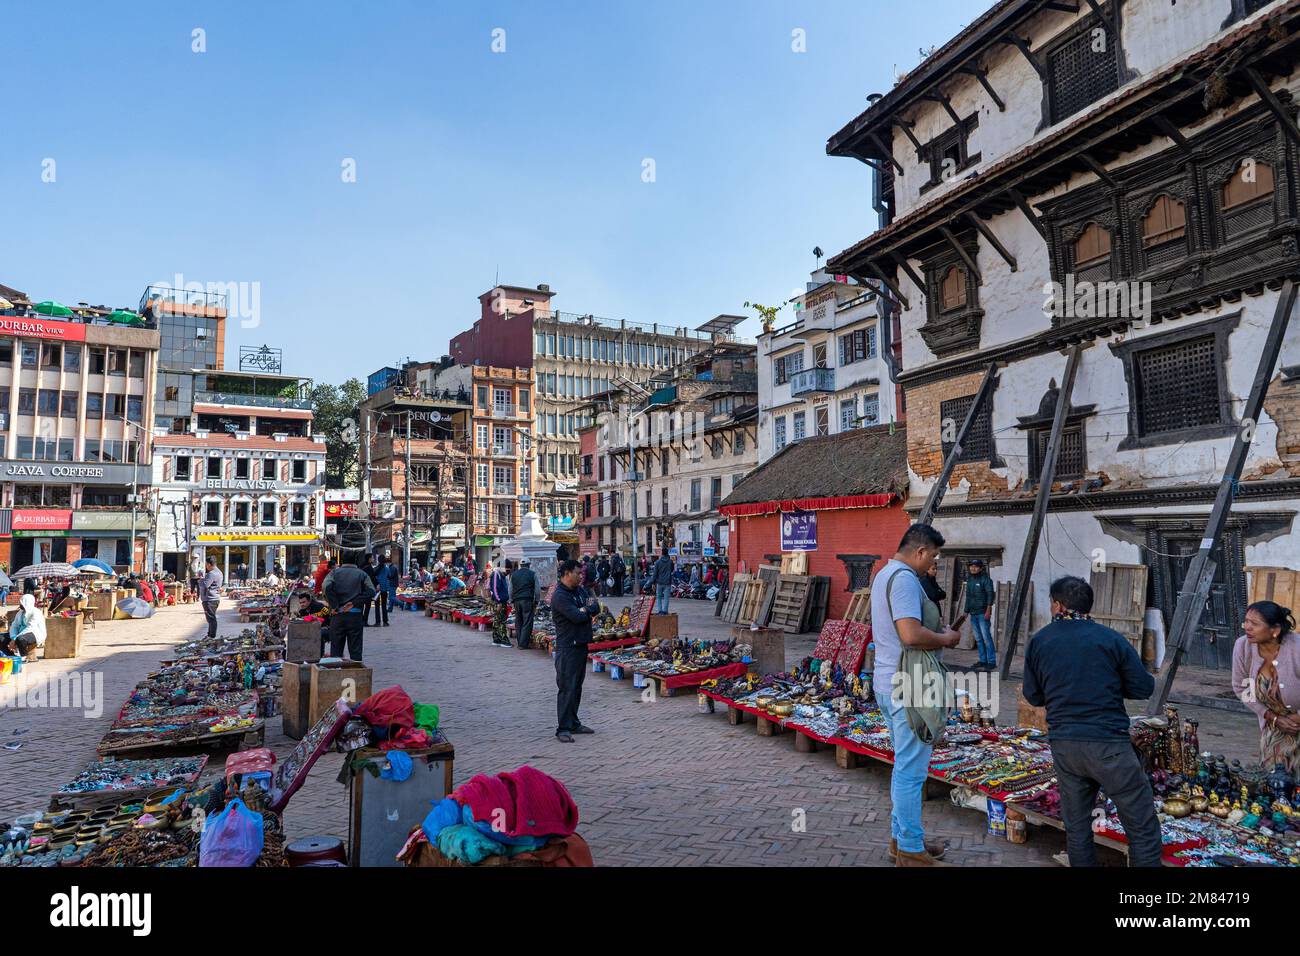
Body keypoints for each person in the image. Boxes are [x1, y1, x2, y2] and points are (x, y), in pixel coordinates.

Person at [1023, 575, 1163, 867]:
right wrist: (1108, 684)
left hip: (1065, 745)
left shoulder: (1040, 641)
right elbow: (1143, 687)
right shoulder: (1110, 638)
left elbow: (1033, 696)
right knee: (1142, 829)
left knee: (1077, 828)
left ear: (1058, 605)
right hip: (1108, 745)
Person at [871, 523, 960, 866]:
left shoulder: (884, 574)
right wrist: (946, 639)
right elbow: (910, 634)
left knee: (903, 766)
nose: (932, 564)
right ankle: (909, 848)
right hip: (906, 683)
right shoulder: (906, 578)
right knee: (912, 771)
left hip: (888, 680)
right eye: (933, 556)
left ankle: (904, 838)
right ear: (920, 551)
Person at [1232, 600, 1300, 778]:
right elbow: (1241, 688)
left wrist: (1296, 718)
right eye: (1246, 621)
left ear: (1275, 630)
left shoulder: (1297, 648)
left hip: (1296, 720)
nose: (1247, 627)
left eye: (1254, 624)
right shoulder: (1243, 647)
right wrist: (1272, 717)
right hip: (1274, 728)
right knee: (1275, 781)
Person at [550, 559, 599, 742]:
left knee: (576, 687)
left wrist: (585, 608)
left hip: (581, 645)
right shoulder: (560, 596)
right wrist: (586, 610)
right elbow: (577, 616)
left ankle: (574, 722)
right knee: (566, 687)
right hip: (568, 647)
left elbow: (594, 605)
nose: (581, 577)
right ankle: (563, 728)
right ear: (567, 573)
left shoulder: (580, 590)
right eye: (577, 573)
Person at [323, 558, 376, 661]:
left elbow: (326, 587)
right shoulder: (362, 574)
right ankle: (356, 674)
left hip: (337, 615)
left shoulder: (334, 573)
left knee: (336, 651)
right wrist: (355, 602)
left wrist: (334, 605)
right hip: (355, 616)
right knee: (355, 650)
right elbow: (371, 591)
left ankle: (335, 673)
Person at [965, 559, 997, 671]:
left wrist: (989, 610)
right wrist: (965, 611)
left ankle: (992, 661)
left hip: (983, 613)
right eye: (971, 566)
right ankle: (983, 660)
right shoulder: (970, 580)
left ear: (981, 568)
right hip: (973, 613)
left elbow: (990, 595)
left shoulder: (986, 580)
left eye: (976, 566)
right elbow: (968, 596)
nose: (973, 568)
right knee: (978, 638)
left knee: (986, 637)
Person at [510, 558, 539, 649]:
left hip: (516, 601)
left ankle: (520, 642)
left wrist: (511, 601)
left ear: (520, 565)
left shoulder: (514, 575)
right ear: (529, 565)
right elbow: (537, 590)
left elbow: (510, 589)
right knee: (527, 622)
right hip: (527, 600)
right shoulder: (532, 574)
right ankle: (523, 644)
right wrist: (536, 601)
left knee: (518, 621)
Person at [487, 560, 512, 647]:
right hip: (499, 601)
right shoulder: (496, 574)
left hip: (501, 601)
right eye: (508, 570)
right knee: (502, 621)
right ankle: (504, 641)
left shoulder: (501, 575)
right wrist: (499, 602)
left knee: (497, 620)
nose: (508, 573)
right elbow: (494, 589)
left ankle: (497, 639)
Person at [198, 557, 224, 641]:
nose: (206, 566)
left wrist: (201, 579)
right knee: (211, 618)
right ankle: (210, 635)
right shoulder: (219, 572)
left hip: (210, 599)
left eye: (206, 565)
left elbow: (205, 585)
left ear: (209, 564)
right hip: (214, 598)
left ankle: (211, 636)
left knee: (211, 618)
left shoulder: (211, 574)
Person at [651, 548, 674, 614]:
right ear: (667, 553)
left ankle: (660, 610)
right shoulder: (670, 562)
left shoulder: (657, 562)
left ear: (662, 553)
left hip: (659, 582)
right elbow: (672, 570)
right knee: (666, 597)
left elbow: (655, 574)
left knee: (659, 597)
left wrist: (653, 583)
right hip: (667, 582)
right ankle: (665, 611)